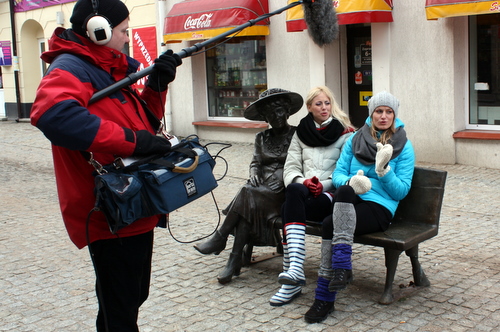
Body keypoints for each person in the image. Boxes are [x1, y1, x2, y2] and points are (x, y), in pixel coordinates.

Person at [30, 0, 182, 331]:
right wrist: (134, 143)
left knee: (130, 298)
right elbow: (52, 115)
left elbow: (142, 124)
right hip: (110, 212)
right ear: (98, 30)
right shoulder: (71, 68)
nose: (127, 38)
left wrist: (157, 87)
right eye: (124, 31)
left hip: (135, 207)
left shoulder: (106, 69)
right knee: (120, 308)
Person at [303, 91, 415, 323]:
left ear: (395, 115)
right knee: (343, 190)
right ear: (371, 114)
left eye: (389, 112)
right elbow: (339, 175)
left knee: (328, 225)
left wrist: (384, 172)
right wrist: (351, 182)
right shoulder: (355, 139)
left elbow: (401, 191)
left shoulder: (403, 145)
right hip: (351, 198)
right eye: (379, 111)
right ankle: (342, 267)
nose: (383, 116)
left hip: (379, 207)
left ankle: (324, 297)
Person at [194, 88, 302, 284]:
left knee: (247, 193)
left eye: (279, 111)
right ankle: (233, 258)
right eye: (270, 113)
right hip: (260, 189)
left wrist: (288, 178)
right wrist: (253, 174)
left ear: (287, 112)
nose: (275, 116)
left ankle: (221, 238)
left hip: (284, 190)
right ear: (265, 117)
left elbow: (303, 162)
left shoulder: (297, 134)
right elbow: (255, 163)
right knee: (249, 198)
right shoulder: (262, 137)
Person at [269, 86, 355, 306]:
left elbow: (346, 171)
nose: (324, 108)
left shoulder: (345, 132)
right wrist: (304, 182)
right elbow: (290, 169)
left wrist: (323, 184)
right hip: (305, 193)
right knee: (294, 189)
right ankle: (296, 271)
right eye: (319, 104)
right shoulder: (300, 133)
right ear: (309, 107)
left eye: (327, 103)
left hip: (330, 197)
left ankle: (292, 281)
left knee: (286, 208)